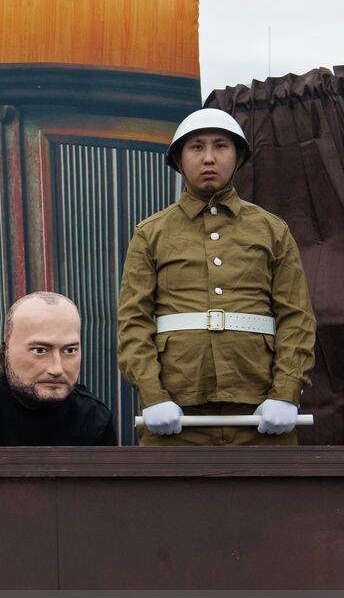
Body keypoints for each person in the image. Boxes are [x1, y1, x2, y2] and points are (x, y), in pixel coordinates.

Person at [117, 108, 315, 446]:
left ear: (237, 157)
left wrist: (286, 392)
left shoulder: (272, 230)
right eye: (196, 147)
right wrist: (153, 395)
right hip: (175, 415)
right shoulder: (150, 234)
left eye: (221, 146)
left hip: (261, 414)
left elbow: (296, 317)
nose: (209, 157)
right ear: (179, 159)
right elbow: (133, 322)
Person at [0, 292, 116, 446]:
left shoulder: (93, 416)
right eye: (40, 350)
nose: (57, 369)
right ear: (5, 352)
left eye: (70, 350)